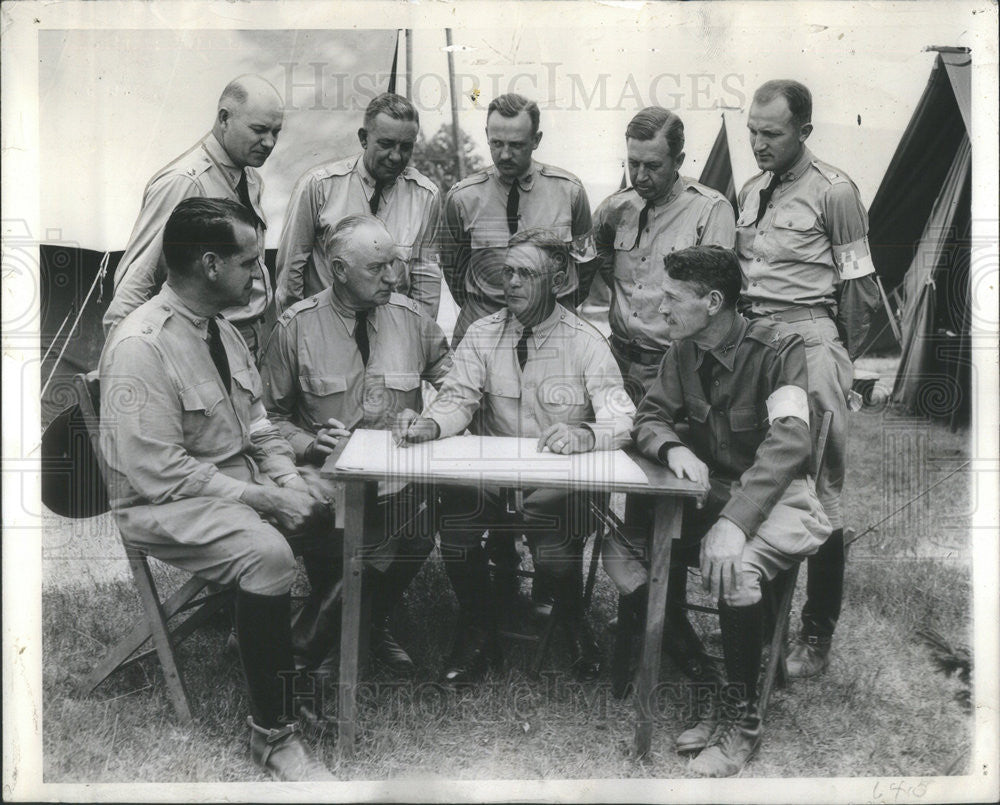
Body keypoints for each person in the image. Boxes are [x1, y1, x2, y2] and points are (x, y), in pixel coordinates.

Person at [99, 198, 332, 781]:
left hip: (233, 488)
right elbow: (159, 473)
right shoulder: (141, 345)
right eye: (250, 261)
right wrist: (264, 500)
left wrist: (286, 479)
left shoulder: (221, 332)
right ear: (209, 264)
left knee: (338, 510)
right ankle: (273, 737)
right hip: (162, 505)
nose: (259, 274)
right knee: (268, 553)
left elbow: (256, 426)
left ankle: (290, 661)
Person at [395, 228, 636, 686]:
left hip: (554, 486)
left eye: (526, 273)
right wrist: (430, 422)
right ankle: (478, 626)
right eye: (507, 271)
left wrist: (587, 433)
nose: (511, 283)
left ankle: (570, 618)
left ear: (559, 278)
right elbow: (457, 399)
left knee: (555, 544)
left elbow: (622, 418)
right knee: (458, 524)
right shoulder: (483, 334)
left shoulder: (586, 342)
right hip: (492, 481)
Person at [631, 245, 831, 777]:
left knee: (734, 568)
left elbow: (789, 444)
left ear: (713, 301)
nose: (661, 309)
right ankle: (711, 682)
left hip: (777, 494)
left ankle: (743, 722)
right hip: (711, 491)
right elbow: (650, 416)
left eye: (672, 298)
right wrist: (672, 447)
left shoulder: (779, 348)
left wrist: (734, 523)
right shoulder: (682, 350)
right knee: (629, 553)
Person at [259, 214, 452, 675]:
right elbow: (267, 419)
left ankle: (342, 632)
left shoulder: (412, 320)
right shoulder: (296, 327)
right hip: (326, 480)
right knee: (337, 521)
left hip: (398, 478)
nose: (392, 277)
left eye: (395, 265)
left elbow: (458, 389)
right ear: (338, 269)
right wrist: (309, 444)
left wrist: (429, 418)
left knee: (428, 511)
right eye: (376, 268)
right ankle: (358, 631)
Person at [737, 80, 879, 677]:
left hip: (810, 341)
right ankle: (760, 626)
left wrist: (833, 361)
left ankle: (814, 636)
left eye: (771, 133)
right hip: (756, 347)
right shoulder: (748, 191)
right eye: (753, 131)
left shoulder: (835, 192)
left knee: (818, 491)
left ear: (804, 132)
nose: (758, 143)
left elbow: (862, 295)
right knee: (761, 477)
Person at [593, 106, 736, 690]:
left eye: (653, 165)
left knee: (665, 501)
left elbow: (715, 295)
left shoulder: (710, 210)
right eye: (632, 163)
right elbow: (596, 262)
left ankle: (654, 629)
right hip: (621, 362)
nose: (641, 175)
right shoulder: (616, 208)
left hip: (675, 368)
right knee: (623, 497)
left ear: (680, 159)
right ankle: (646, 619)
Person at [103, 75, 282, 359]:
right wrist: (122, 370)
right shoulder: (185, 183)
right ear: (224, 119)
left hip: (248, 338)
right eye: (259, 130)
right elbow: (135, 284)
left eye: (276, 132)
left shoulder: (250, 178)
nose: (269, 142)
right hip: (202, 345)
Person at [441, 93, 598, 347]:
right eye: (496, 143)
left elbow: (586, 265)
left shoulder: (570, 192)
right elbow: (454, 272)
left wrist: (550, 304)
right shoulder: (462, 198)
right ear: (487, 135)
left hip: (554, 338)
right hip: (483, 339)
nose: (504, 155)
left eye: (516, 145)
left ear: (536, 140)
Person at [275, 92, 442, 319]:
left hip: (390, 333)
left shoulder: (425, 197)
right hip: (326, 329)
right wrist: (298, 334)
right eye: (386, 144)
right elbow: (290, 274)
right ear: (364, 138)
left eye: (406, 147)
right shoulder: (319, 187)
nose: (395, 157)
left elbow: (426, 280)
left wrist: (418, 338)